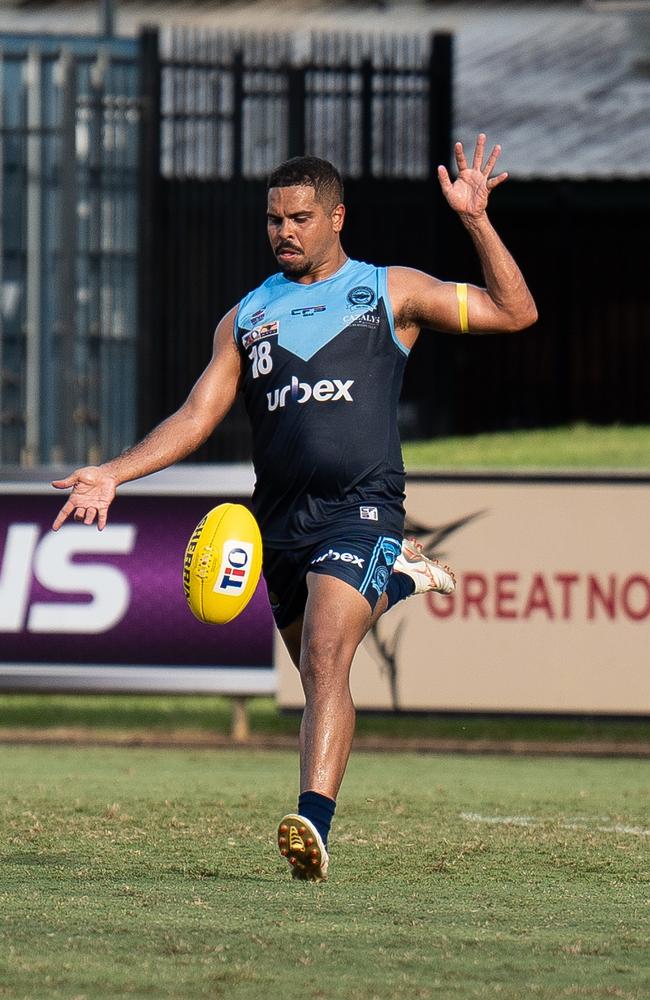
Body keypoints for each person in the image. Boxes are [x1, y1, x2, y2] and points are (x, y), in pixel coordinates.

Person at [52, 134, 537, 882]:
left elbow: (516, 312)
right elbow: (194, 416)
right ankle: (404, 576)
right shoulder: (246, 316)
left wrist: (475, 220)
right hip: (279, 524)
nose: (284, 231)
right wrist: (113, 473)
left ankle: (311, 825)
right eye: (274, 219)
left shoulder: (388, 291)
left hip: (361, 506)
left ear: (337, 217)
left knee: (325, 652)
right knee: (320, 684)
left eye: (300, 218)